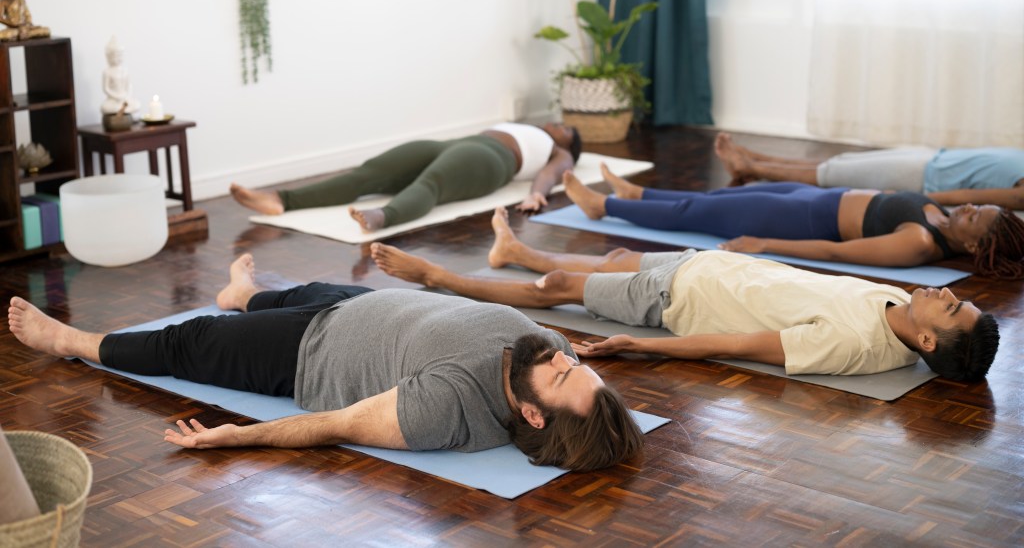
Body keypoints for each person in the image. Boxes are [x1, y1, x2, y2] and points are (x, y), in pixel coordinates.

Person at [6, 254, 643, 472]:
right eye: (572, 362)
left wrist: (241, 438)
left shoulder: (446, 409)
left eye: (562, 374)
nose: (561, 356)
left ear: (531, 413)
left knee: (188, 341)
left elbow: (336, 424)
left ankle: (70, 341)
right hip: (359, 304)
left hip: (306, 351)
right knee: (288, 291)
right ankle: (241, 294)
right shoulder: (541, 353)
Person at [369, 208, 1001, 381]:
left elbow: (741, 345)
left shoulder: (850, 346)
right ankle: (519, 251)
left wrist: (645, 348)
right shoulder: (898, 306)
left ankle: (441, 278)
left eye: (949, 306)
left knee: (560, 290)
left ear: (928, 339)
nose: (941, 293)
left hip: (677, 300)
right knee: (614, 255)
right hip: (704, 266)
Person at [558, 164, 1024, 280]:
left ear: (973, 248)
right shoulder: (940, 213)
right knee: (719, 196)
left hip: (801, 219)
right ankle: (638, 193)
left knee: (699, 214)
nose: (968, 209)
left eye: (975, 218)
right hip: (816, 197)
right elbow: (963, 194)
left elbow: (837, 252)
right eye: (976, 207)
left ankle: (605, 207)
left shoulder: (920, 243)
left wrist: (764, 243)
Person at [231, 122, 583, 232]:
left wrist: (538, 194)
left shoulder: (559, 152)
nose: (557, 126)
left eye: (566, 130)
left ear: (569, 144)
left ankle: (383, 216)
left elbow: (551, 175)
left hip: (489, 160)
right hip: (453, 143)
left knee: (430, 184)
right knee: (370, 173)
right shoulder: (526, 123)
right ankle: (282, 200)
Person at [715, 132, 1024, 210]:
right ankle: (752, 160)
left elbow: (967, 195)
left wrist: (911, 198)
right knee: (838, 164)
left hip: (920, 176)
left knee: (830, 174)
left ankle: (750, 165)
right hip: (932, 158)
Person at [100, 36, 141, 115]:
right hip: (113, 100)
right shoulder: (107, 72)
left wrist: (126, 96)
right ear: (109, 57)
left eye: (119, 55)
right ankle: (122, 110)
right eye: (114, 56)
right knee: (105, 107)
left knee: (136, 104)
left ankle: (123, 109)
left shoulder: (125, 71)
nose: (117, 58)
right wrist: (117, 96)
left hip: (124, 98)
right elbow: (106, 89)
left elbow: (129, 86)